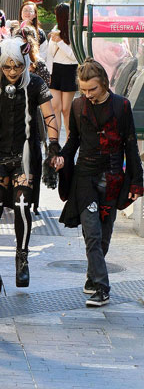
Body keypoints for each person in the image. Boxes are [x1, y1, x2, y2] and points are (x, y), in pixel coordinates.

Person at [55, 59, 143, 306]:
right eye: (83, 89)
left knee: (103, 235)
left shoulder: (121, 106)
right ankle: (102, 288)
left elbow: (130, 147)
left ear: (104, 83)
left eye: (92, 89)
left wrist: (137, 183)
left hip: (113, 179)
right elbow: (73, 141)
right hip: (84, 178)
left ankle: (93, 275)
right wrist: (61, 158)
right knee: (92, 232)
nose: (88, 94)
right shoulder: (77, 106)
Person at [0, 37, 59, 292]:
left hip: (25, 154)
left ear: (25, 63)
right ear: (0, 64)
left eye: (17, 66)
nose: (12, 72)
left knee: (23, 205)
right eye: (7, 67)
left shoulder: (35, 83)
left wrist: (54, 145)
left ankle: (22, 260)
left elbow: (49, 115)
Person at [47, 3, 78, 136]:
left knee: (66, 109)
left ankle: (69, 141)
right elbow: (51, 54)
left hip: (70, 70)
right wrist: (54, 41)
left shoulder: (75, 31)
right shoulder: (56, 29)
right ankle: (55, 141)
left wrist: (60, 41)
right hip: (55, 70)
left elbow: (73, 56)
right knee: (55, 107)